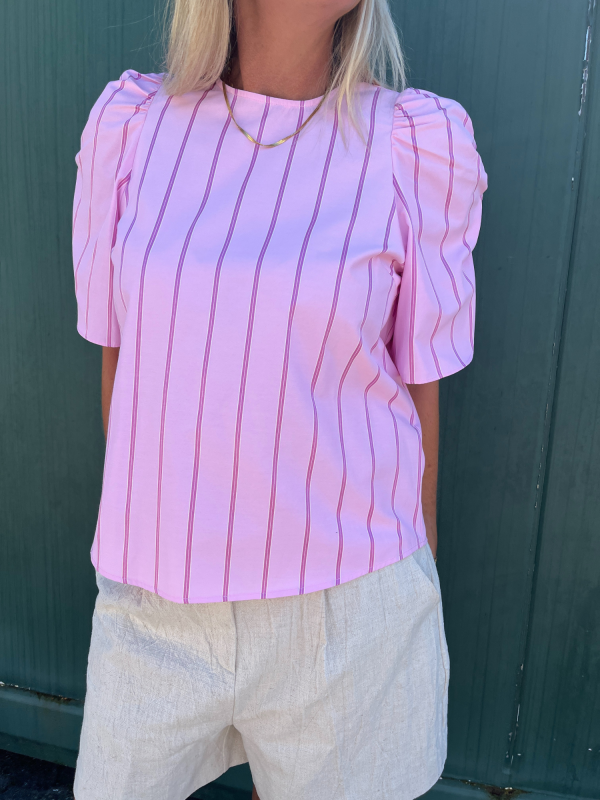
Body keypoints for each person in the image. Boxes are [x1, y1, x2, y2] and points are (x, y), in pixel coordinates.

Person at [71, 0, 487, 798]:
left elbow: (418, 392)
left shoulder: (409, 147)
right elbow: (121, 368)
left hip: (348, 612)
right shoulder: (133, 131)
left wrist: (416, 584)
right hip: (156, 608)